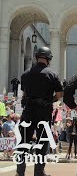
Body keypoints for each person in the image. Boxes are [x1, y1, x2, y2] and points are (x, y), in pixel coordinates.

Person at [16, 46, 63, 176]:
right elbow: (59, 94)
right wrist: (50, 100)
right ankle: (39, 172)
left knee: (23, 141)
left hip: (28, 110)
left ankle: (20, 172)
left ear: (37, 57)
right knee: (42, 142)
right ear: (49, 59)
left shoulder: (26, 73)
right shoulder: (52, 74)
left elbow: (24, 93)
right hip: (44, 111)